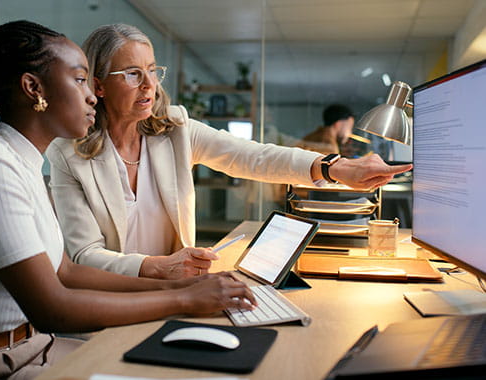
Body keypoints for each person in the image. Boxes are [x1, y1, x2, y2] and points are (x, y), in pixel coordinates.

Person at [0, 20, 255, 379]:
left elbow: (67, 272)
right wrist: (185, 300)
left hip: (33, 347)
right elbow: (52, 309)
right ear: (33, 88)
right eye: (78, 79)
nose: (91, 95)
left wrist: (180, 284)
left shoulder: (21, 161)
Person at [46, 24, 412, 281]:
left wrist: (336, 168)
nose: (149, 85)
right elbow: (84, 256)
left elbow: (254, 156)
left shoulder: (175, 130)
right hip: (114, 302)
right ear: (98, 85)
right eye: (131, 74)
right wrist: (159, 266)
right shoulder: (68, 155)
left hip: (176, 292)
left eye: (153, 70)